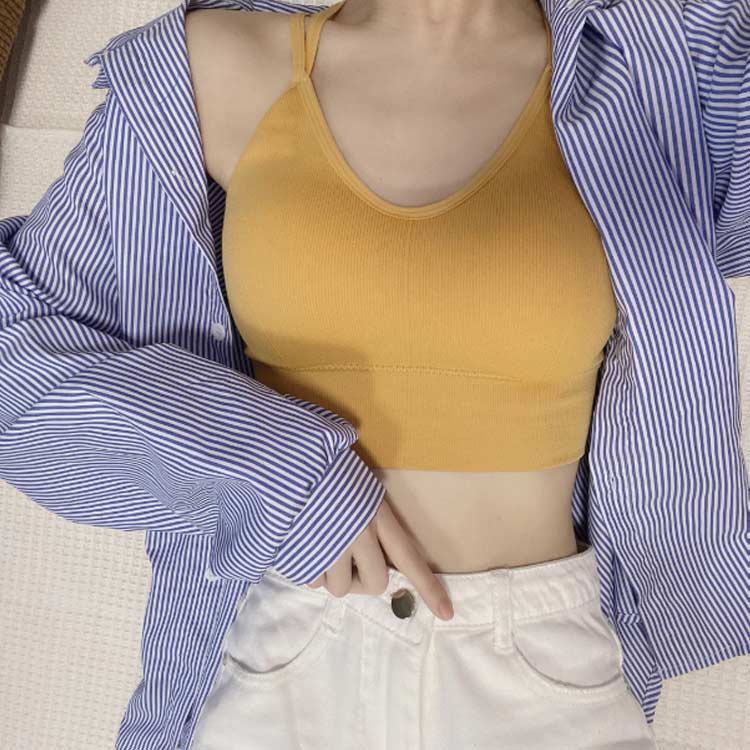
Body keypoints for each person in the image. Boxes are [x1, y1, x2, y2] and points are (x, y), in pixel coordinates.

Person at [0, 0, 747, 748]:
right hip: (281, 664)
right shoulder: (213, 67)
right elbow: (16, 355)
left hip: (540, 681)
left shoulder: (670, 64)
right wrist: (276, 471)